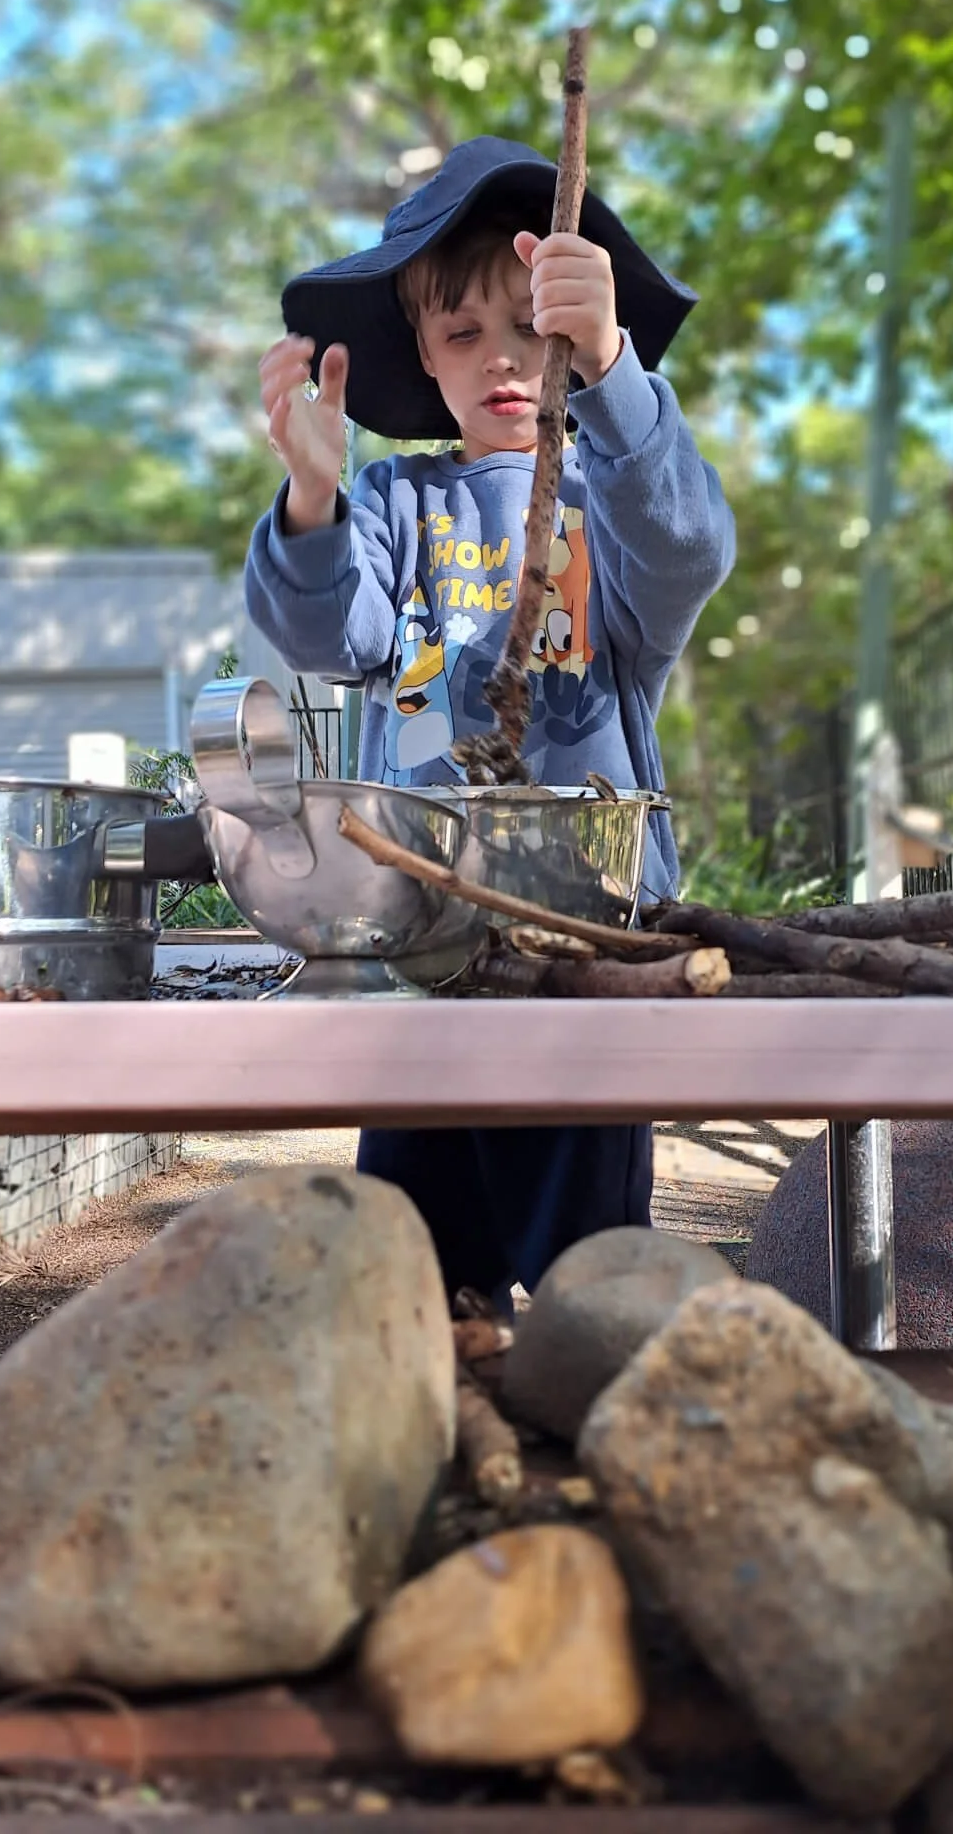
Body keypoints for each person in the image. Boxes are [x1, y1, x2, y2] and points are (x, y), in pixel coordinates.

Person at [244, 136, 736, 1307]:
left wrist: (613, 369)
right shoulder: (397, 502)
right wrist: (314, 496)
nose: (503, 359)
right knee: (415, 1277)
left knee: (588, 1281)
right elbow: (337, 633)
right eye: (463, 333)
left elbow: (686, 549)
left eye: (535, 325)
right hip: (418, 943)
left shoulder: (613, 512)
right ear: (421, 350)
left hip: (582, 957)